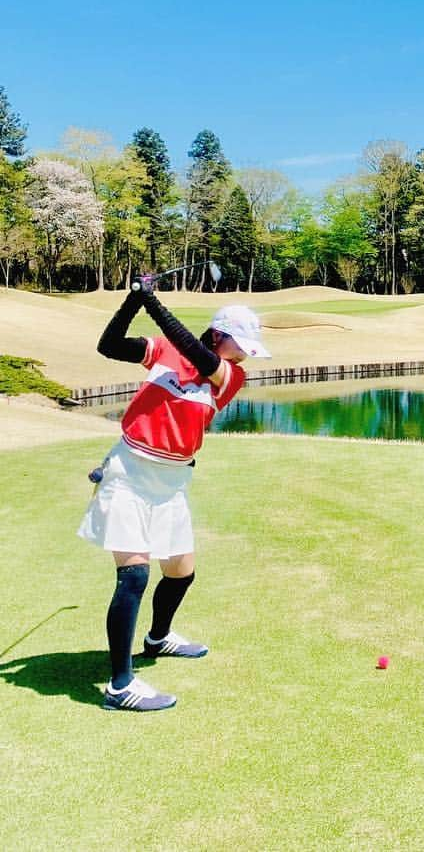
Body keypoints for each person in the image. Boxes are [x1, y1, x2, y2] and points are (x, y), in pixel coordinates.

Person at [79, 279, 270, 711]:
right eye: (238, 343)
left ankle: (158, 638)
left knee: (182, 572)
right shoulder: (164, 351)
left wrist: (154, 302)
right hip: (129, 471)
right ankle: (120, 685)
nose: (243, 353)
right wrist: (133, 301)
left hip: (171, 482)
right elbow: (109, 345)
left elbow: (196, 354)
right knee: (134, 575)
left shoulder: (229, 376)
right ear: (219, 334)